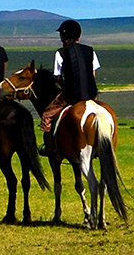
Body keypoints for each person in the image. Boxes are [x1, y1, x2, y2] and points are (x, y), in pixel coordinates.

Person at [39, 20, 100, 157]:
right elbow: (93, 73)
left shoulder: (60, 53)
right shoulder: (90, 51)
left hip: (71, 95)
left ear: (65, 36)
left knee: (47, 115)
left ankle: (50, 148)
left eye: (61, 35)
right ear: (78, 37)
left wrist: (65, 88)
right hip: (91, 94)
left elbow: (58, 77)